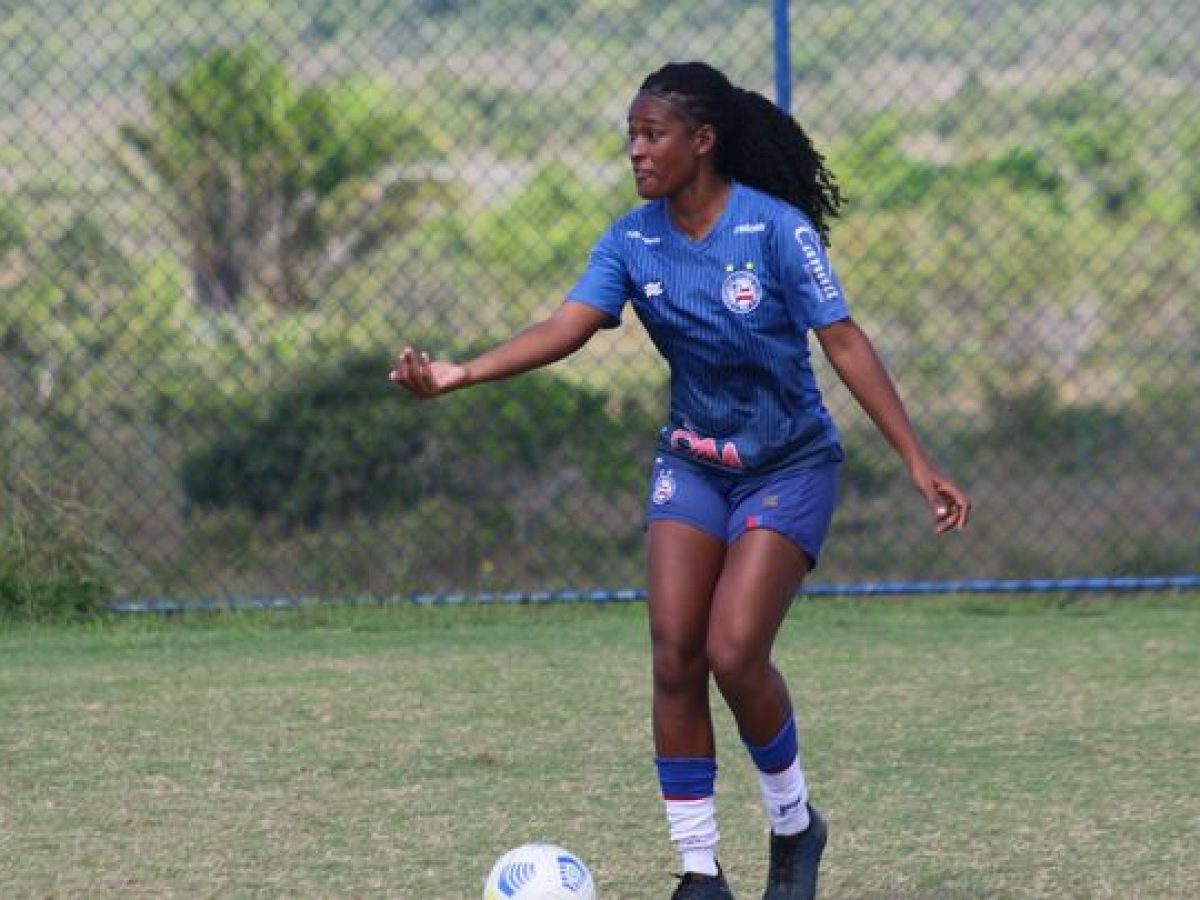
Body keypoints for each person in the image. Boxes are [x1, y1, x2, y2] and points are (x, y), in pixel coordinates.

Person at [390, 61, 971, 900]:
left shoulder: (774, 231)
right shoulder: (632, 240)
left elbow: (843, 341)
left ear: (702, 142)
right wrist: (459, 373)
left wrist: (919, 460)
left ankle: (794, 824)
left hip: (789, 466)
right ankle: (699, 872)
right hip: (693, 463)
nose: (635, 150)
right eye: (630, 134)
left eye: (652, 134)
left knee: (736, 653)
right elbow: (566, 325)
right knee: (675, 654)